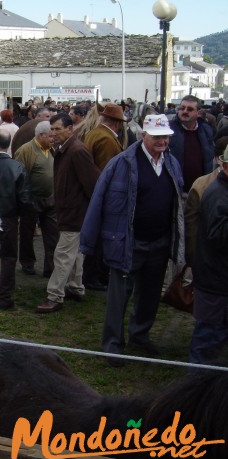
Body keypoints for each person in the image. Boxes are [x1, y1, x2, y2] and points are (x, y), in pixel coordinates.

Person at [80, 114, 184, 367]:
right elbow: (98, 202)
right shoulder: (121, 164)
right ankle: (113, 345)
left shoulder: (171, 163)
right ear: (142, 136)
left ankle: (140, 335)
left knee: (149, 295)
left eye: (165, 137)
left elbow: (178, 204)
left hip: (159, 242)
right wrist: (88, 243)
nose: (161, 141)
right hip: (127, 242)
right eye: (156, 136)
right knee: (119, 297)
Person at [36, 114, 100, 314]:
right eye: (51, 130)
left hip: (74, 213)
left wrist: (88, 211)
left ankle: (55, 295)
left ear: (70, 129)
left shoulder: (76, 151)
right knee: (75, 253)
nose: (53, 133)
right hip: (71, 211)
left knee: (63, 254)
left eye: (57, 129)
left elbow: (92, 183)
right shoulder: (66, 150)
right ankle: (75, 287)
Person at [81, 103, 128, 291]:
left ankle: (93, 274)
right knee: (101, 238)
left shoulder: (94, 133)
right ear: (117, 123)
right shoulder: (107, 139)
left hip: (93, 193)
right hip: (103, 195)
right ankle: (94, 276)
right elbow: (108, 172)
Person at [189, 145, 228, 365]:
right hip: (215, 287)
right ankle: (196, 394)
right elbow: (218, 235)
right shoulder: (218, 196)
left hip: (218, 284)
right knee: (207, 344)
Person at [0, 129, 28, 310]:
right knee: (9, 257)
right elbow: (24, 197)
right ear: (8, 144)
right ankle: (5, 296)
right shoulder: (16, 166)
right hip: (9, 217)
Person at [14, 121, 58, 278]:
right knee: (27, 233)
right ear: (41, 135)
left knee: (52, 235)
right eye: (51, 136)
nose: (54, 139)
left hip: (50, 200)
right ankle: (27, 263)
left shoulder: (52, 150)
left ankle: (50, 267)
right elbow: (19, 176)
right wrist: (24, 200)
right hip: (31, 201)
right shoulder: (25, 151)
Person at [184, 137, 227, 266]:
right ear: (219, 160)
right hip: (211, 263)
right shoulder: (203, 185)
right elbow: (192, 227)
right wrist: (193, 261)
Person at [168, 95, 215, 193]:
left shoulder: (206, 130)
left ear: (198, 113)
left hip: (200, 191)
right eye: (182, 108)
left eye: (190, 109)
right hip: (176, 190)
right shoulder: (168, 130)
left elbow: (210, 159)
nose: (185, 111)